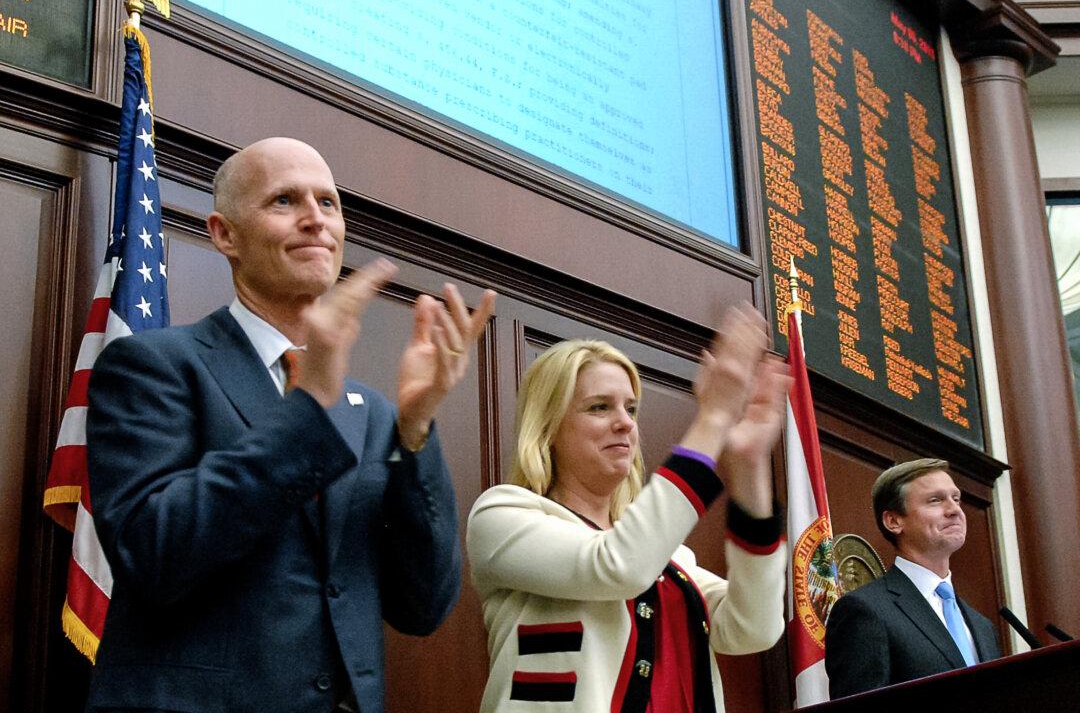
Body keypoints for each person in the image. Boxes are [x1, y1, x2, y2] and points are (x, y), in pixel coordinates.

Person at [84, 137, 496, 713]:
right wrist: (310, 407)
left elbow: (422, 606)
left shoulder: (374, 412)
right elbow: (154, 554)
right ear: (225, 234)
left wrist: (416, 427)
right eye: (285, 201)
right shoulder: (151, 366)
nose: (315, 221)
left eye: (328, 203)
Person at [466, 306, 791, 711]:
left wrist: (749, 466)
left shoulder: (672, 559)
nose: (625, 423)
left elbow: (755, 628)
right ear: (547, 427)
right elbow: (618, 565)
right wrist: (714, 418)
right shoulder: (501, 516)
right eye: (599, 407)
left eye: (631, 408)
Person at [824, 459, 1002, 698]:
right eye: (935, 500)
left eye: (956, 498)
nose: (954, 510)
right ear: (894, 521)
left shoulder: (982, 626)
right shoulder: (866, 610)